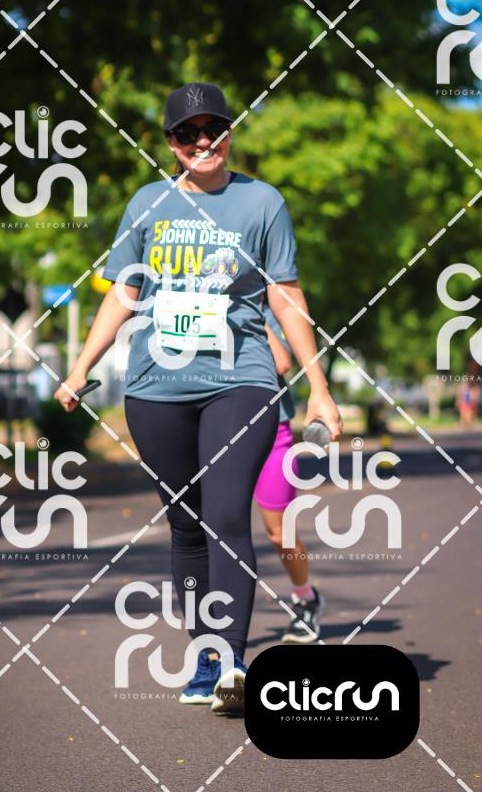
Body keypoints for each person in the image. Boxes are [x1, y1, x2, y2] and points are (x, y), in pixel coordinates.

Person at [55, 82, 341, 712]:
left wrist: (318, 387)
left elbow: (285, 296)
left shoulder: (262, 201)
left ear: (230, 133)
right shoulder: (148, 203)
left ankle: (234, 661)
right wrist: (80, 369)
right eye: (188, 133)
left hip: (242, 380)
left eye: (214, 129)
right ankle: (206, 659)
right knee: (186, 525)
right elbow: (124, 292)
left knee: (226, 515)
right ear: (170, 143)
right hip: (155, 387)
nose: (202, 141)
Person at [255, 308, 323, 643]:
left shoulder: (260, 304)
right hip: (216, 429)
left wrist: (245, 312)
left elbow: (282, 362)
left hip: (271, 429)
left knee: (279, 533)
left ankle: (305, 597)